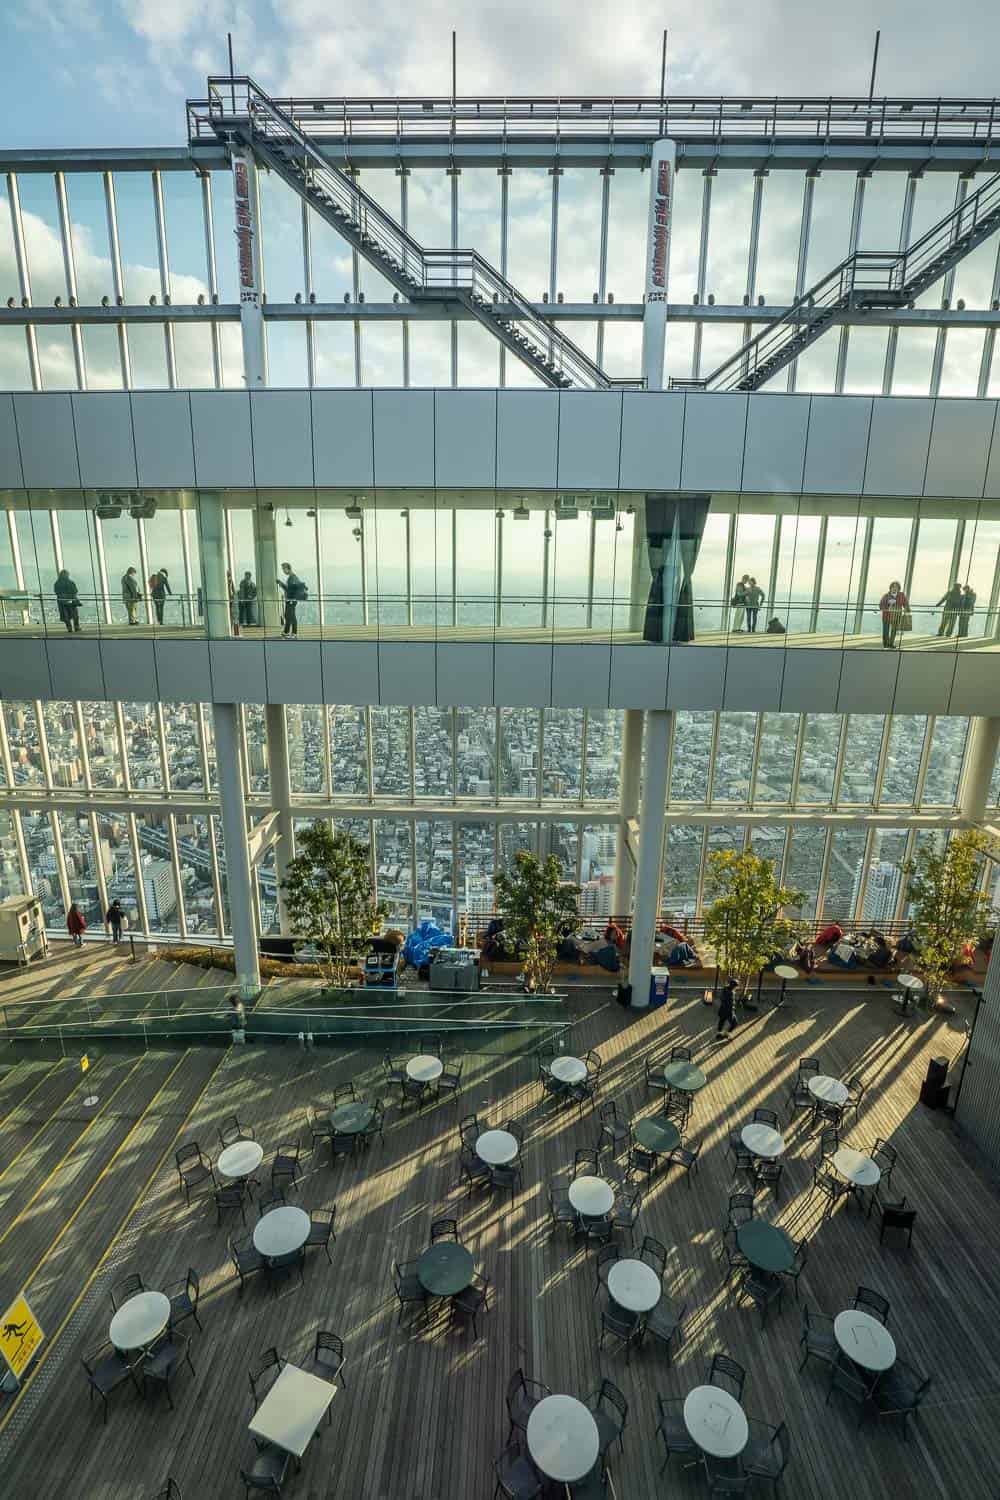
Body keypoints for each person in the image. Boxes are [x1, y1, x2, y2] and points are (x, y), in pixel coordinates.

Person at [277, 561, 306, 638]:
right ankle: (286, 632)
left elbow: (289, 590)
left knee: (292, 616)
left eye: (284, 569)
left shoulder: (292, 578)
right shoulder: (293, 577)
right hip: (290, 599)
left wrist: (281, 584)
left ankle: (294, 633)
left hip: (291, 600)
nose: (283, 571)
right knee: (287, 615)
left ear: (288, 569)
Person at [877, 580, 908, 649]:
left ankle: (891, 644)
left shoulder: (901, 595)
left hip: (896, 616)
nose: (894, 588)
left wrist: (907, 609)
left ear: (898, 588)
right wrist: (888, 604)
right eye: (893, 587)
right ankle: (886, 645)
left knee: (893, 631)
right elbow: (880, 605)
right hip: (886, 616)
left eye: (896, 587)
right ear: (890, 588)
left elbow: (905, 603)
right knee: (886, 631)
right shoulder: (886, 595)